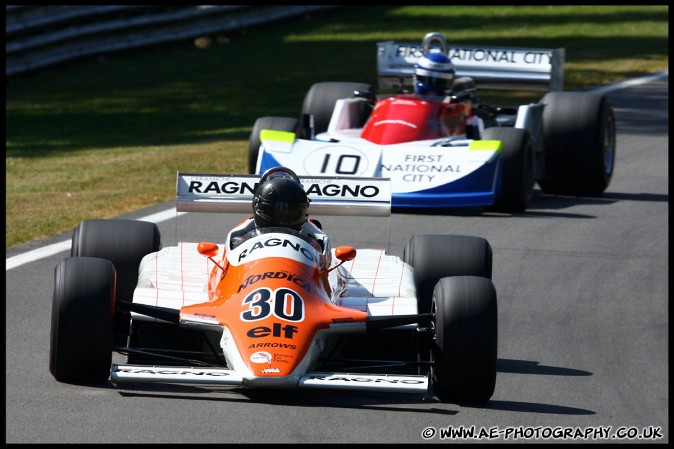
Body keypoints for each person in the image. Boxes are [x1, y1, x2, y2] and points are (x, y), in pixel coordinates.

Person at [228, 167, 330, 267]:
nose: (284, 219)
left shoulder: (316, 244)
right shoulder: (239, 242)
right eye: (277, 213)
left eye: (291, 214)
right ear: (258, 208)